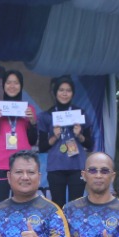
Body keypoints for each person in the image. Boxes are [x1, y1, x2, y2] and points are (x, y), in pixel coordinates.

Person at [0, 69, 38, 204]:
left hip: (23, 163)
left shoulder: (29, 109)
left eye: (16, 83)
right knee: (0, 205)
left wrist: (32, 123)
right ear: (4, 85)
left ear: (21, 86)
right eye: (8, 83)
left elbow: (32, 141)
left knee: (23, 204)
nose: (12, 86)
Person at [39, 76, 93, 206]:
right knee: (58, 205)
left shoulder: (80, 114)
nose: (64, 93)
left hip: (77, 167)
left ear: (73, 93)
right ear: (55, 92)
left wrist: (79, 135)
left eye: (68, 90)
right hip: (56, 167)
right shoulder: (47, 115)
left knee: (76, 205)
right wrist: (54, 137)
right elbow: (42, 147)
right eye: (61, 90)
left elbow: (90, 144)